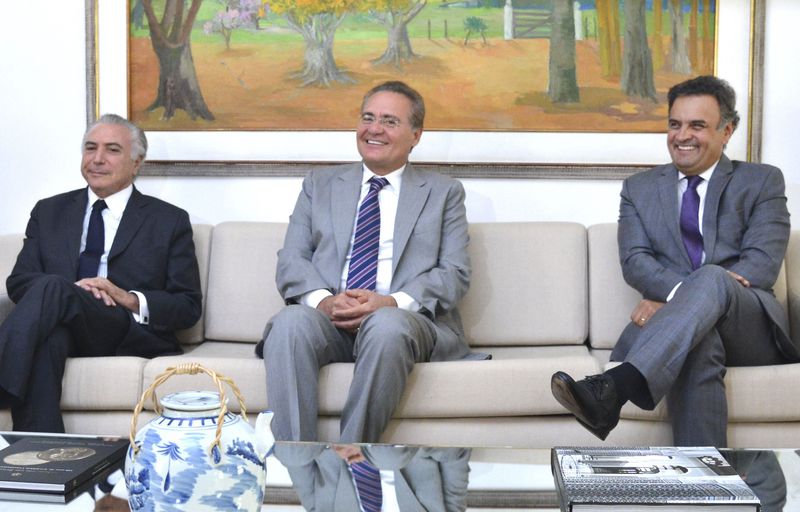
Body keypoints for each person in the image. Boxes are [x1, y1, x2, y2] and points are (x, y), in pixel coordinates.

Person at [551, 75, 800, 446]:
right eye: (674, 124)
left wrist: (678, 300)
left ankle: (617, 385)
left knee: (712, 277)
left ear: (727, 130)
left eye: (697, 125)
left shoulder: (761, 181)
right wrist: (691, 305)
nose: (682, 136)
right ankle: (706, 476)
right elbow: (635, 261)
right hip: (682, 331)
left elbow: (761, 265)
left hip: (748, 326)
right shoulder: (639, 188)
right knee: (700, 340)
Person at [256, 80, 482, 444]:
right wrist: (325, 302)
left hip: (404, 323)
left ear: (416, 135)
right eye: (368, 118)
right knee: (289, 322)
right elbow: (292, 260)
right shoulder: (319, 184)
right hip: (330, 321)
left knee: (386, 325)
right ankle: (294, 460)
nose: (374, 129)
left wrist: (390, 302)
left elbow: (454, 273)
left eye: (390, 121)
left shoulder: (443, 192)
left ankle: (353, 458)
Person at [0, 114, 202, 432]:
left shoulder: (168, 220)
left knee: (55, 288)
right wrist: (70, 292)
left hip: (122, 328)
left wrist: (127, 298)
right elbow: (19, 281)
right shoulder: (49, 211)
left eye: (112, 150)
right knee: (49, 338)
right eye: (90, 147)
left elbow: (187, 306)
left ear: (136, 163)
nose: (97, 159)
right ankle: (44, 451)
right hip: (62, 322)